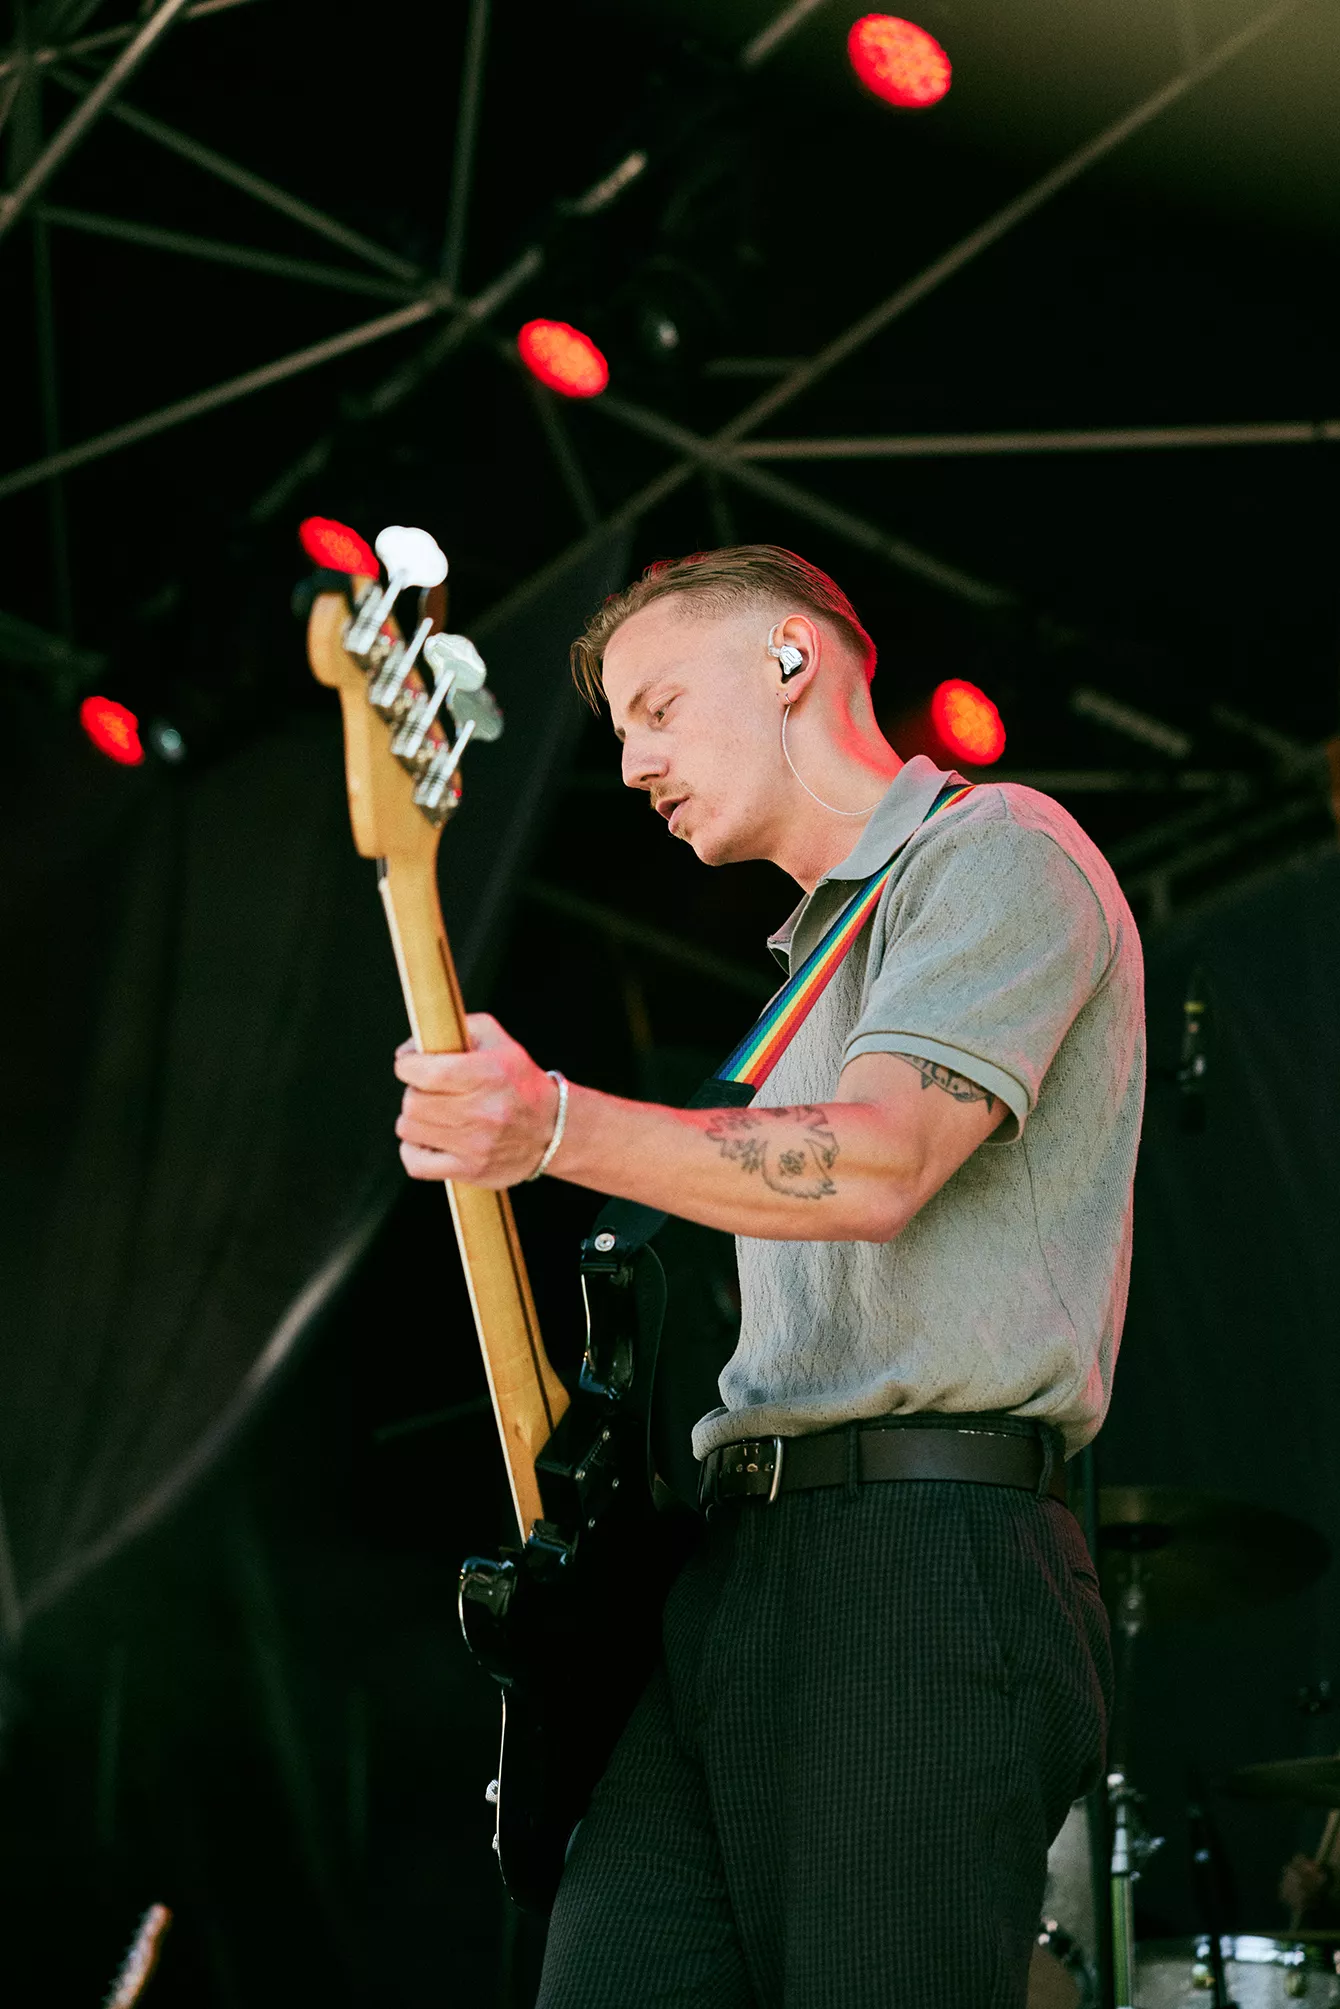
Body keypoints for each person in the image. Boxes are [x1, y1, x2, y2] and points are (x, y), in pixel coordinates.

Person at [393, 545, 1143, 2008]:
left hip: (923, 1559)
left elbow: (882, 1164)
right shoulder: (805, 976)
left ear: (792, 659)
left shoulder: (998, 848)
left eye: (659, 708)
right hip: (738, 1575)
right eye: (620, 731)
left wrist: (553, 1126)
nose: (633, 765)